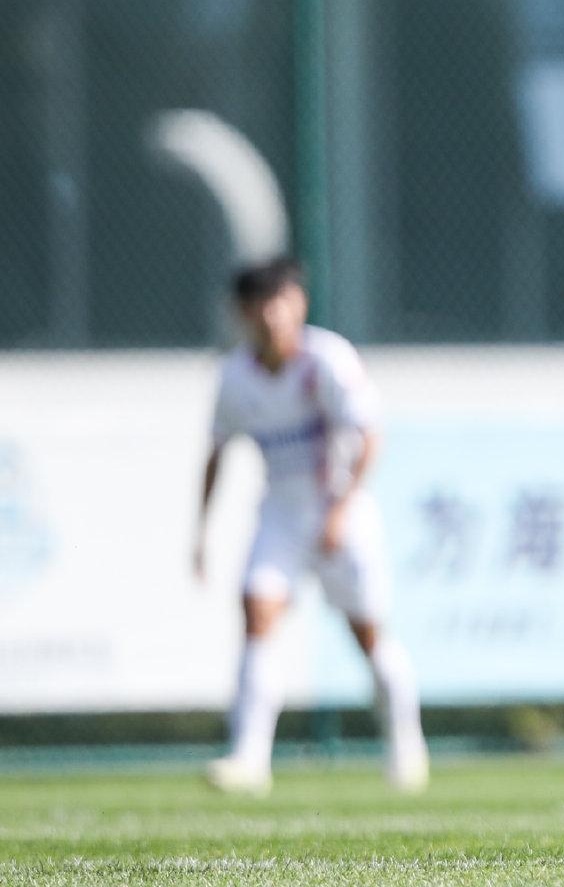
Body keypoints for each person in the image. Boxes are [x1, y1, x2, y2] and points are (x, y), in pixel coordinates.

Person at [195, 257, 428, 796]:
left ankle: (406, 745)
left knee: (369, 635)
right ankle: (249, 759)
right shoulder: (234, 377)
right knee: (257, 614)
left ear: (298, 305)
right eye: (260, 304)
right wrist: (200, 534)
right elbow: (216, 452)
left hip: (340, 511)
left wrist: (340, 510)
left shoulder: (326, 359)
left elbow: (369, 437)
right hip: (280, 512)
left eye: (282, 301)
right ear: (243, 313)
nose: (272, 315)